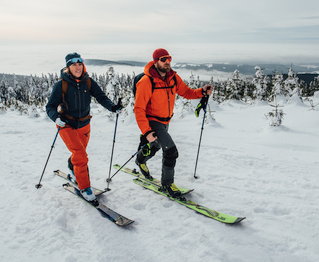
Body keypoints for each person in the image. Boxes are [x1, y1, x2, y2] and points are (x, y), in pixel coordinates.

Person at [134, 48, 213, 198]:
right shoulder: (146, 81)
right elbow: (138, 109)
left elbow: (187, 92)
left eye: (169, 58)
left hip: (165, 121)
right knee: (171, 151)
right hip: (153, 121)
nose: (167, 62)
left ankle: (139, 160)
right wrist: (146, 131)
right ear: (156, 61)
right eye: (163, 59)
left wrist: (201, 91)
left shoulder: (173, 78)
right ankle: (167, 184)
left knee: (156, 145)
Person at [46, 52, 122, 202]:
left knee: (79, 153)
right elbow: (50, 107)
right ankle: (85, 188)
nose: (77, 67)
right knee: (81, 156)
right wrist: (55, 117)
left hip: (84, 125)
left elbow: (101, 97)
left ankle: (71, 166)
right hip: (66, 125)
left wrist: (113, 107)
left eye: (79, 64)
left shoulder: (88, 82)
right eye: (73, 64)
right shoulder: (61, 84)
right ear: (68, 67)